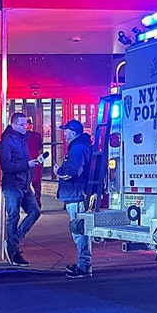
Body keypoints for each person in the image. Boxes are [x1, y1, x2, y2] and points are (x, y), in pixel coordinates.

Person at [0, 112, 42, 266]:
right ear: (13, 125)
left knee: (35, 212)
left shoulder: (22, 138)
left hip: (25, 184)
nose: (26, 127)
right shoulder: (7, 141)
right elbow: (6, 165)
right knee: (13, 216)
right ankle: (13, 250)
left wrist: (30, 168)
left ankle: (13, 242)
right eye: (23, 124)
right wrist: (27, 165)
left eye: (27, 124)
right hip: (12, 184)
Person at [57, 119, 93, 279]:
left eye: (66, 131)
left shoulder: (77, 148)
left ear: (72, 132)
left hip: (77, 194)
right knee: (79, 231)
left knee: (79, 232)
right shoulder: (80, 146)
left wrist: (59, 171)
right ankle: (83, 263)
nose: (64, 133)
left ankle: (84, 266)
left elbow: (73, 171)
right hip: (77, 194)